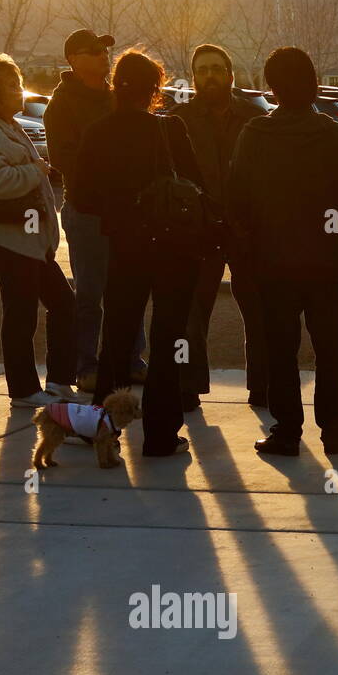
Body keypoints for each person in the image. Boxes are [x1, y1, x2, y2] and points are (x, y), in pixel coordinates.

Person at [227, 46, 338, 457]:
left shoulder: (253, 136)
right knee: (328, 351)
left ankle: (286, 431)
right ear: (312, 83)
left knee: (281, 352)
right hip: (324, 262)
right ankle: (336, 432)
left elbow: (235, 202)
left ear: (271, 89)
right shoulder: (333, 134)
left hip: (272, 264)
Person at [69, 49, 203, 457]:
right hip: (172, 249)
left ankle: (101, 425)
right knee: (167, 340)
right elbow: (195, 187)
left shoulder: (97, 133)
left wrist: (117, 210)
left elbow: (80, 198)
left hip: (124, 248)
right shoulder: (171, 131)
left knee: (117, 336)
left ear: (115, 85)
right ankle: (162, 435)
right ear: (155, 89)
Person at [0, 51, 77, 409]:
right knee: (22, 314)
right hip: (10, 240)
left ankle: (59, 382)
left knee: (61, 305)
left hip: (29, 242)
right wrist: (35, 171)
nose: (20, 90)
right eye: (13, 85)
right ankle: (24, 390)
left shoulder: (7, 129)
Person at [44, 28, 147, 393]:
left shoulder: (116, 97)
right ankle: (86, 366)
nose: (104, 56)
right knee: (90, 293)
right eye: (93, 51)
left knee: (131, 287)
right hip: (86, 210)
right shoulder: (61, 105)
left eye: (105, 50)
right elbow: (63, 159)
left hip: (126, 210)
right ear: (73, 59)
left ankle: (133, 361)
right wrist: (111, 170)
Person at [173, 43, 266, 411]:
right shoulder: (178, 119)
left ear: (230, 75)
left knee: (260, 313)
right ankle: (187, 387)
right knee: (191, 315)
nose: (209, 75)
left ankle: (263, 386)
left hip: (246, 228)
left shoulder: (253, 117)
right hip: (198, 230)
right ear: (194, 78)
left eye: (216, 69)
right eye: (202, 70)